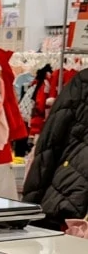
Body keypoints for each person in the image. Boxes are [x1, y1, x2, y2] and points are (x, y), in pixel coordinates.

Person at [22, 68, 88, 229]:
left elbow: (50, 145)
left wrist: (30, 208)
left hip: (69, 199)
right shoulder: (84, 83)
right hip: (71, 202)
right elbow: (50, 145)